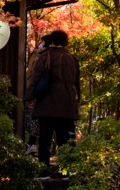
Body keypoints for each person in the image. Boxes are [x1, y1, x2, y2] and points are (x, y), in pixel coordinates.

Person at [28, 29, 81, 164]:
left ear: (52, 41)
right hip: (67, 105)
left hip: (47, 104)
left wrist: (29, 96)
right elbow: (77, 83)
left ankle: (44, 170)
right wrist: (77, 102)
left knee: (45, 139)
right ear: (65, 42)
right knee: (66, 140)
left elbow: (35, 78)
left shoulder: (46, 56)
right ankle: (67, 171)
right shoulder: (72, 59)